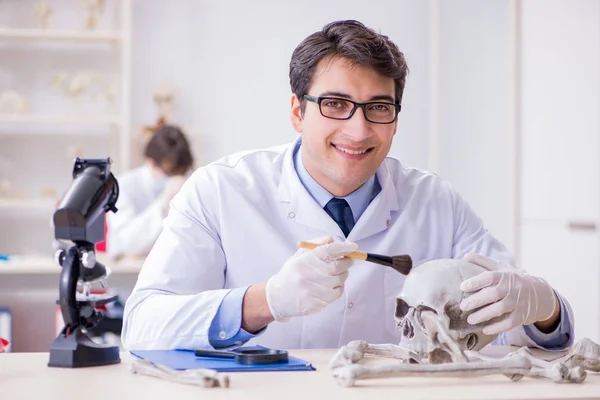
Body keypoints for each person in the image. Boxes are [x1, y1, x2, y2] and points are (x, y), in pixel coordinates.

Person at [121, 20, 574, 351]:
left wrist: (547, 309)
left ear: (395, 119)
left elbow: (515, 326)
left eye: (379, 107)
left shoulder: (437, 203)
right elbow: (142, 325)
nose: (359, 131)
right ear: (298, 112)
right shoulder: (219, 191)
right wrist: (265, 301)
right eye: (336, 104)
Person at [106, 124, 194, 259]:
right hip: (126, 271)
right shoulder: (124, 185)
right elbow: (126, 244)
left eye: (180, 172)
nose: (175, 178)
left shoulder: (188, 185)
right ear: (151, 162)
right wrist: (164, 202)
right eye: (170, 172)